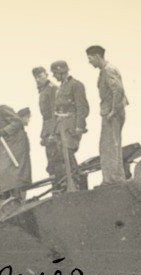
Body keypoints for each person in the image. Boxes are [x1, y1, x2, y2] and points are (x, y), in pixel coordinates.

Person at [86, 45, 129, 184]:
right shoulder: (105, 70)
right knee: (110, 145)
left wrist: (113, 111)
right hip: (110, 112)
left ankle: (112, 180)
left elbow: (118, 90)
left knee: (109, 146)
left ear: (98, 56)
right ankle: (114, 178)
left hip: (112, 113)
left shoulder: (108, 70)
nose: (89, 62)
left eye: (90, 58)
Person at [49, 60, 89, 191]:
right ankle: (67, 182)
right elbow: (56, 111)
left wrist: (79, 127)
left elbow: (82, 107)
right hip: (60, 125)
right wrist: (53, 131)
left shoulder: (76, 85)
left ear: (61, 71)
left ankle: (75, 182)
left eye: (55, 73)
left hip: (71, 124)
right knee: (60, 154)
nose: (54, 76)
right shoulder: (60, 89)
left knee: (68, 151)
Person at [33, 66, 62, 186]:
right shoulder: (43, 90)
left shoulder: (52, 89)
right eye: (36, 78)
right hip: (47, 129)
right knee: (51, 163)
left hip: (54, 130)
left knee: (58, 160)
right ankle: (57, 188)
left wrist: (53, 133)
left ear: (46, 75)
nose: (38, 79)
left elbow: (56, 112)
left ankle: (62, 187)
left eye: (40, 76)